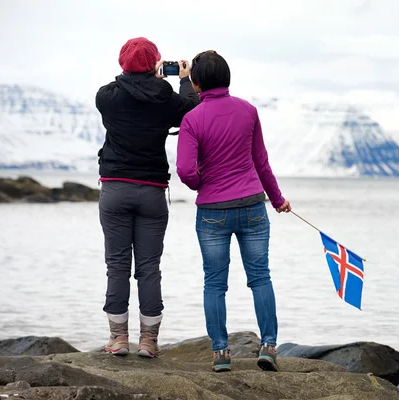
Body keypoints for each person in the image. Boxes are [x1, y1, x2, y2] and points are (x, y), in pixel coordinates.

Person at [176, 50, 291, 373]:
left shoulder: (192, 118)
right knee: (260, 277)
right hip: (253, 205)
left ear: (196, 84)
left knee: (215, 283)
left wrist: (202, 182)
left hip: (212, 211)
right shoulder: (248, 111)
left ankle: (221, 353)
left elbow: (185, 170)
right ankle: (268, 346)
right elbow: (261, 162)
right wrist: (278, 198)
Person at [95, 37, 200, 358]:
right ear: (157, 64)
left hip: (114, 189)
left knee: (117, 265)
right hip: (153, 191)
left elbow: (125, 88)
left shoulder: (106, 97)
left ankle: (118, 339)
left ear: (122, 63)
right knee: (149, 268)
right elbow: (193, 111)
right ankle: (149, 341)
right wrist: (181, 81)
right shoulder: (165, 98)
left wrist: (144, 78)